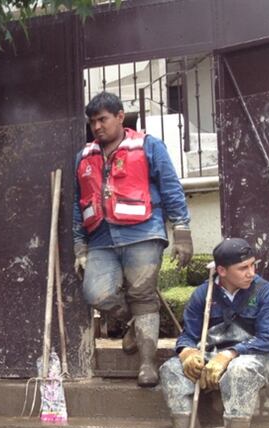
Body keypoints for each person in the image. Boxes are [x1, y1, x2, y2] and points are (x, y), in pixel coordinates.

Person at [72, 91, 194, 386]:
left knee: (143, 297)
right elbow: (80, 202)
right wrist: (80, 245)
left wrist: (182, 230)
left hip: (142, 233)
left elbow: (170, 187)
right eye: (92, 122)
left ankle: (148, 365)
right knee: (96, 293)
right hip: (100, 237)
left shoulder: (149, 145)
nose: (97, 127)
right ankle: (131, 323)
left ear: (119, 116)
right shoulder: (84, 157)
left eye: (102, 119)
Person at [155, 238, 269, 428]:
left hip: (255, 358)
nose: (251, 272)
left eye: (252, 265)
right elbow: (188, 336)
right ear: (222, 271)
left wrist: (229, 354)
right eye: (243, 268)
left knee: (239, 371)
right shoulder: (204, 294)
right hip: (212, 357)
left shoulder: (266, 292)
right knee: (171, 370)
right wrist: (188, 353)